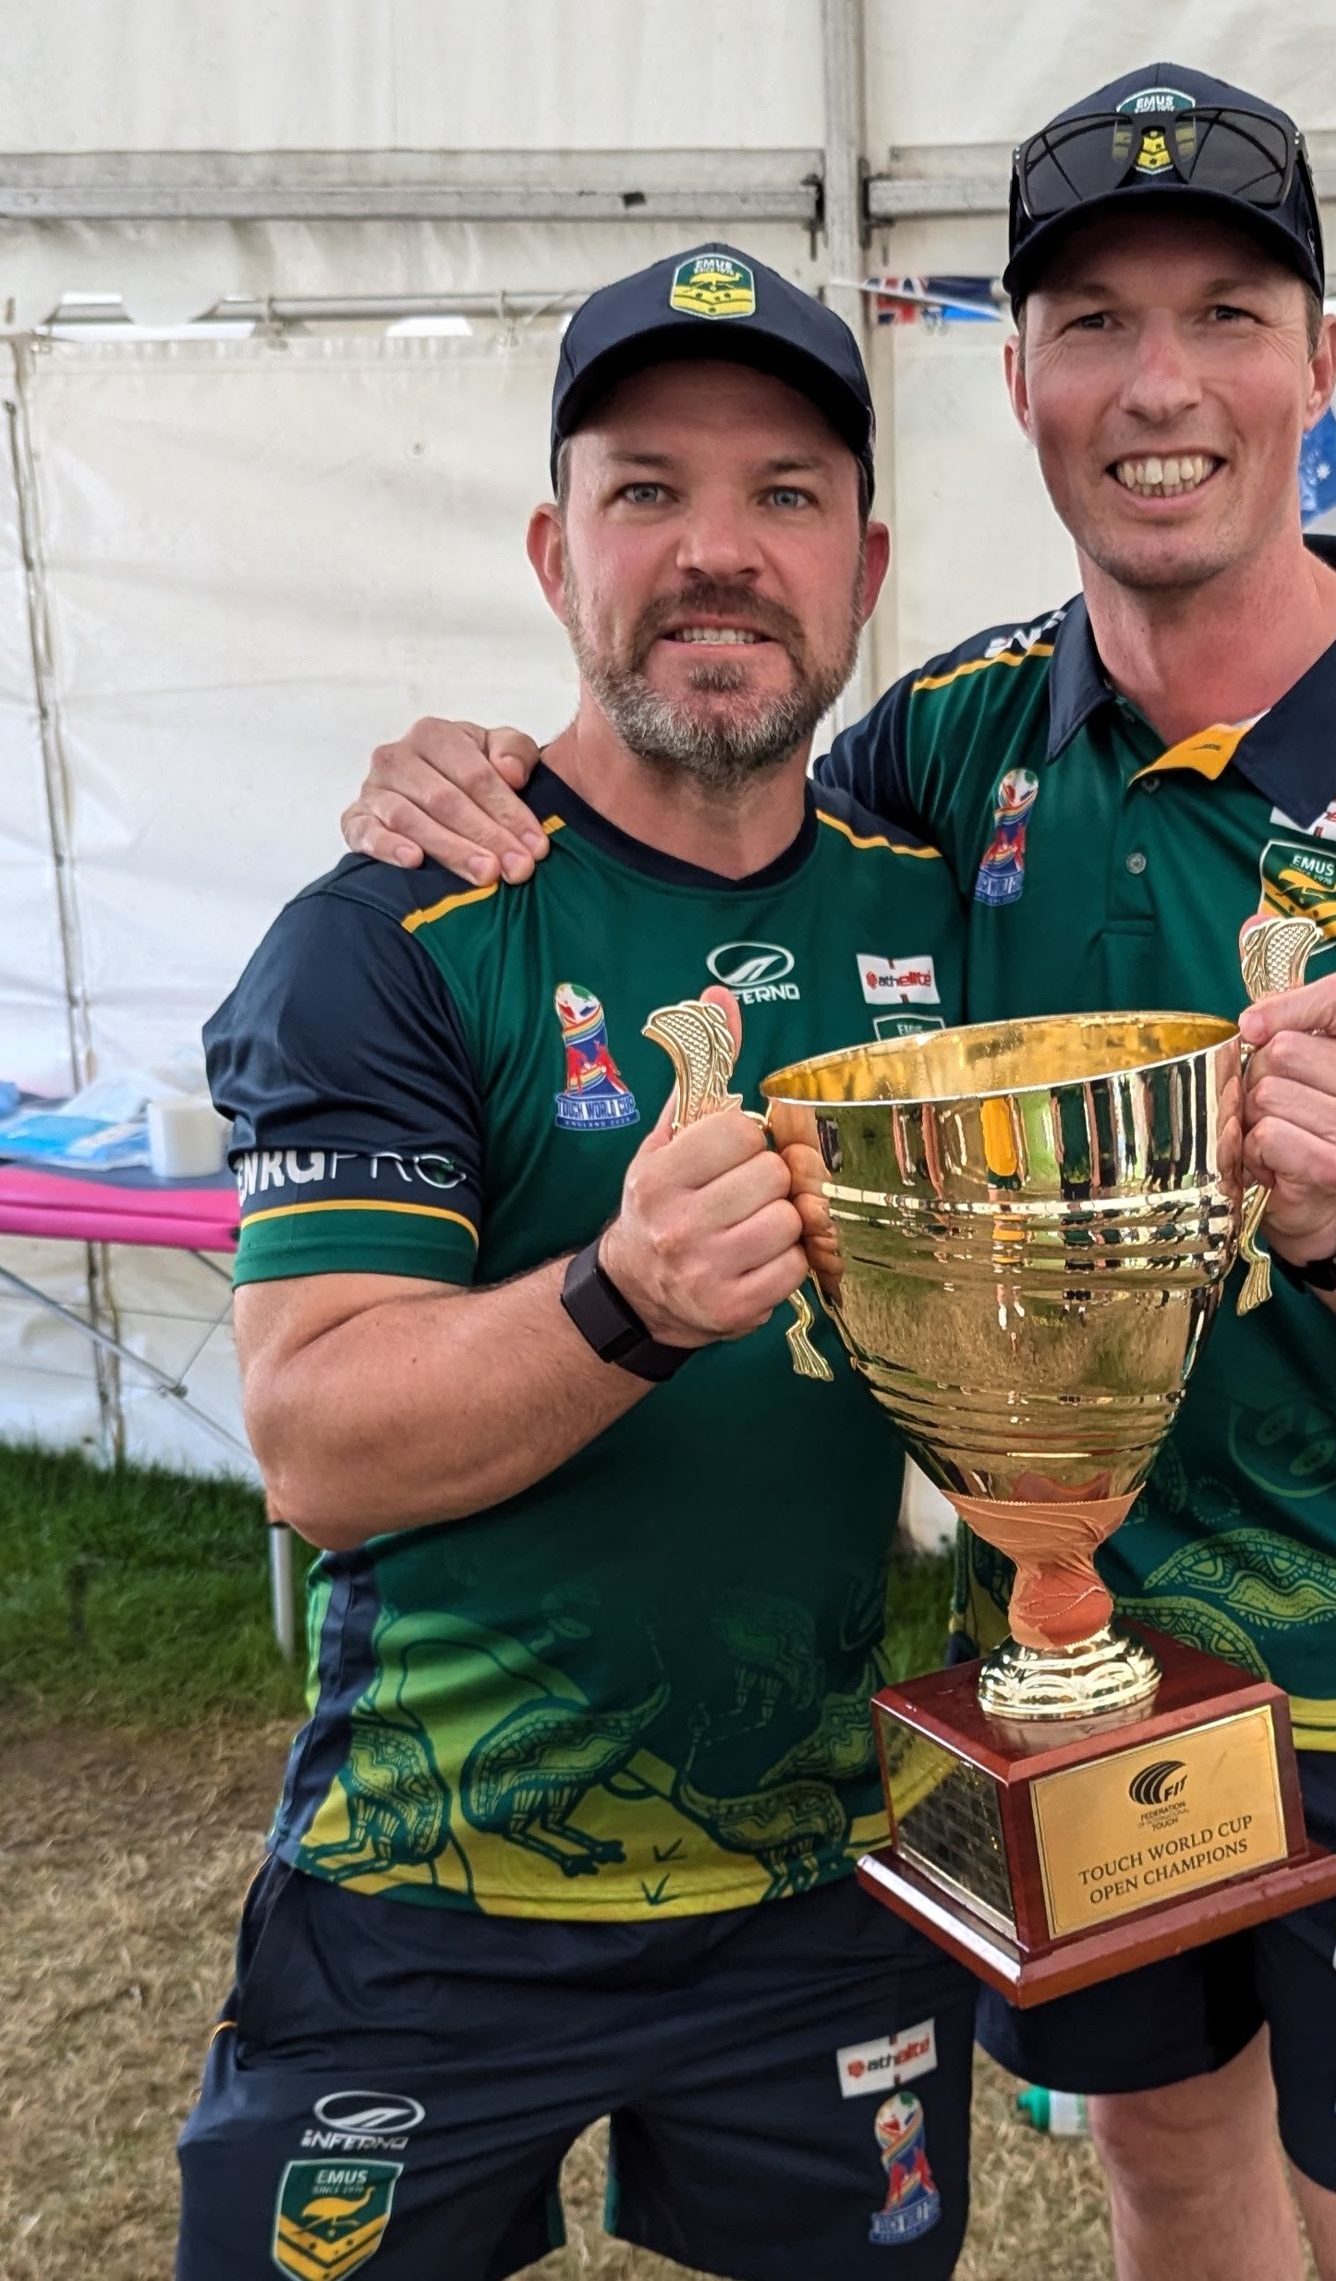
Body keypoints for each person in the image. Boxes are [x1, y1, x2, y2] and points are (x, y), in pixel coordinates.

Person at [340, 65, 1336, 2281]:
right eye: (1090, 328)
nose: (1163, 389)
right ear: (1018, 388)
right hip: (1060, 1668)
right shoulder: (943, 742)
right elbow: (699, 789)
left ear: (1320, 366)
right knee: (1160, 2172)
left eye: (1227, 315)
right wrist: (482, 768)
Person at [177, 250, 978, 2281]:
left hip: (823, 1879)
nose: (719, 552)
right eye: (648, 492)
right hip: (434, 1897)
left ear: (867, 561)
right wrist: (620, 1300)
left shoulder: (950, 919)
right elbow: (316, 1442)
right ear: (554, 550)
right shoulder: (400, 925)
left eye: (786, 494)